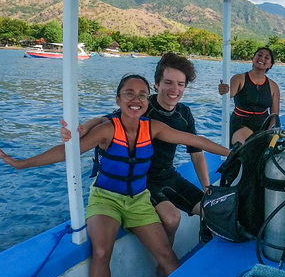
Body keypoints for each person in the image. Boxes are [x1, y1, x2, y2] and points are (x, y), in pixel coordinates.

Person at [0, 74, 230, 277]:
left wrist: (232, 152)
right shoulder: (107, 128)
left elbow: (194, 141)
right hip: (106, 200)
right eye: (128, 93)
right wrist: (22, 163)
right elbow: (68, 152)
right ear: (118, 99)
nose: (136, 99)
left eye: (142, 94)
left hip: (139, 200)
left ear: (147, 101)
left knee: (167, 257)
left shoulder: (153, 127)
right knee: (101, 252)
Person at [65, 53, 210, 248]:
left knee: (210, 210)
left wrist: (207, 188)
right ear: (157, 84)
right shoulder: (142, 105)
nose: (174, 89)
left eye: (180, 84)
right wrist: (82, 127)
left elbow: (196, 153)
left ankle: (175, 258)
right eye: (168, 82)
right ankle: (163, 262)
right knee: (172, 218)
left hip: (169, 176)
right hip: (142, 180)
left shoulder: (184, 113)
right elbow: (107, 120)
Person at [218, 46, 281, 144]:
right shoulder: (238, 78)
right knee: (250, 147)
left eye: (266, 58)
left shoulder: (273, 86)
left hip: (263, 125)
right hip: (241, 123)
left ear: (270, 65)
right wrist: (224, 89)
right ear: (253, 58)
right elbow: (229, 93)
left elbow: (274, 115)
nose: (262, 58)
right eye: (259, 55)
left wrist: (270, 132)